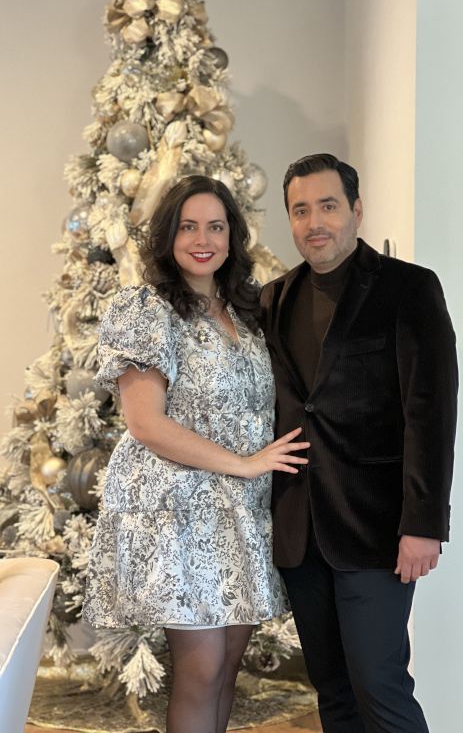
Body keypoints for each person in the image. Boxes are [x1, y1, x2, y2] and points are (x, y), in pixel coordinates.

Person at [83, 174, 309, 733]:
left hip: (242, 513)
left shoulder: (247, 313)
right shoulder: (147, 308)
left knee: (227, 667)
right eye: (188, 227)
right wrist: (245, 463)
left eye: (215, 226)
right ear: (168, 236)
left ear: (233, 236)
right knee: (201, 669)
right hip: (181, 513)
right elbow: (145, 423)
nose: (202, 239)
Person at [260, 153, 458, 733]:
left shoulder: (408, 288)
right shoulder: (273, 300)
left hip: (377, 530)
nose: (314, 222)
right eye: (300, 210)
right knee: (334, 693)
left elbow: (430, 411)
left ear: (356, 210)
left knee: (381, 688)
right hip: (300, 531)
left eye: (327, 206)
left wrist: (423, 523)